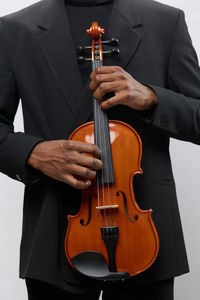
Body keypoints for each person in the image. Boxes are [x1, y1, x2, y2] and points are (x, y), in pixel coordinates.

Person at [1, 0, 200, 299]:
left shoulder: (165, 21)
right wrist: (34, 153)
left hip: (144, 234)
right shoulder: (15, 28)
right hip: (54, 229)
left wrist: (152, 98)